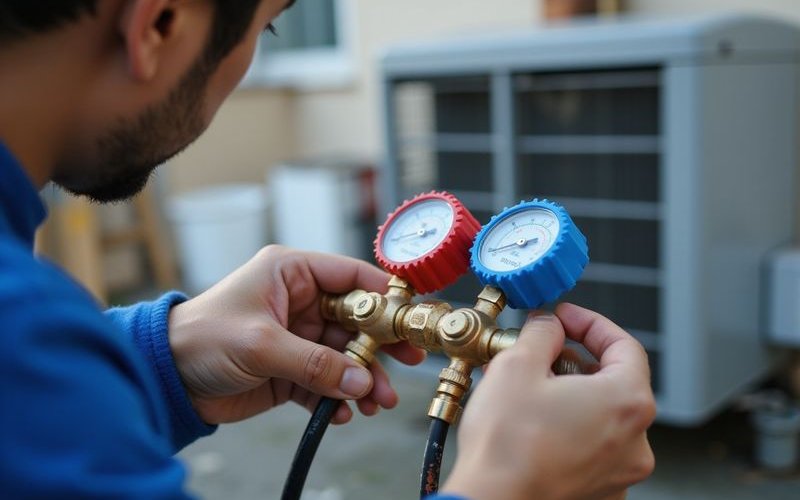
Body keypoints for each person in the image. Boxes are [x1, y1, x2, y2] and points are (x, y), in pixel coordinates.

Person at [0, 1, 655, 498]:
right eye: (269, 26)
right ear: (160, 24)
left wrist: (161, 361)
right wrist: (511, 486)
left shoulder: (32, 344)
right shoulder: (27, 333)